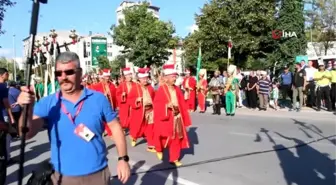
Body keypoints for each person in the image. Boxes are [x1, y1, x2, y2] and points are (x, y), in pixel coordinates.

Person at [17, 52, 130, 185]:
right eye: (59, 73)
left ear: (80, 73)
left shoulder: (98, 99)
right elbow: (26, 134)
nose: (63, 77)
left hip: (97, 175)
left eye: (69, 72)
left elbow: (115, 127)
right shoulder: (48, 103)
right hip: (62, 177)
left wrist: (123, 159)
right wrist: (27, 109)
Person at [153, 64, 191, 167]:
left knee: (177, 138)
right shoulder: (162, 89)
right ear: (166, 78)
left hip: (177, 118)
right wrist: (166, 106)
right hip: (166, 118)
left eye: (175, 76)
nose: (175, 79)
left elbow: (182, 104)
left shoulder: (177, 89)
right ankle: (159, 148)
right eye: (173, 77)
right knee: (164, 136)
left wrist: (185, 118)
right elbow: (156, 105)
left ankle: (174, 158)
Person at [127, 68, 155, 149]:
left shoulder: (150, 87)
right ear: (139, 79)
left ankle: (151, 144)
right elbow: (129, 100)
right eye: (143, 78)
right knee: (137, 127)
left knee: (151, 127)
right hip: (139, 111)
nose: (145, 80)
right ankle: (134, 137)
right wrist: (136, 100)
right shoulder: (135, 87)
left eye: (146, 78)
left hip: (150, 111)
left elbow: (154, 97)